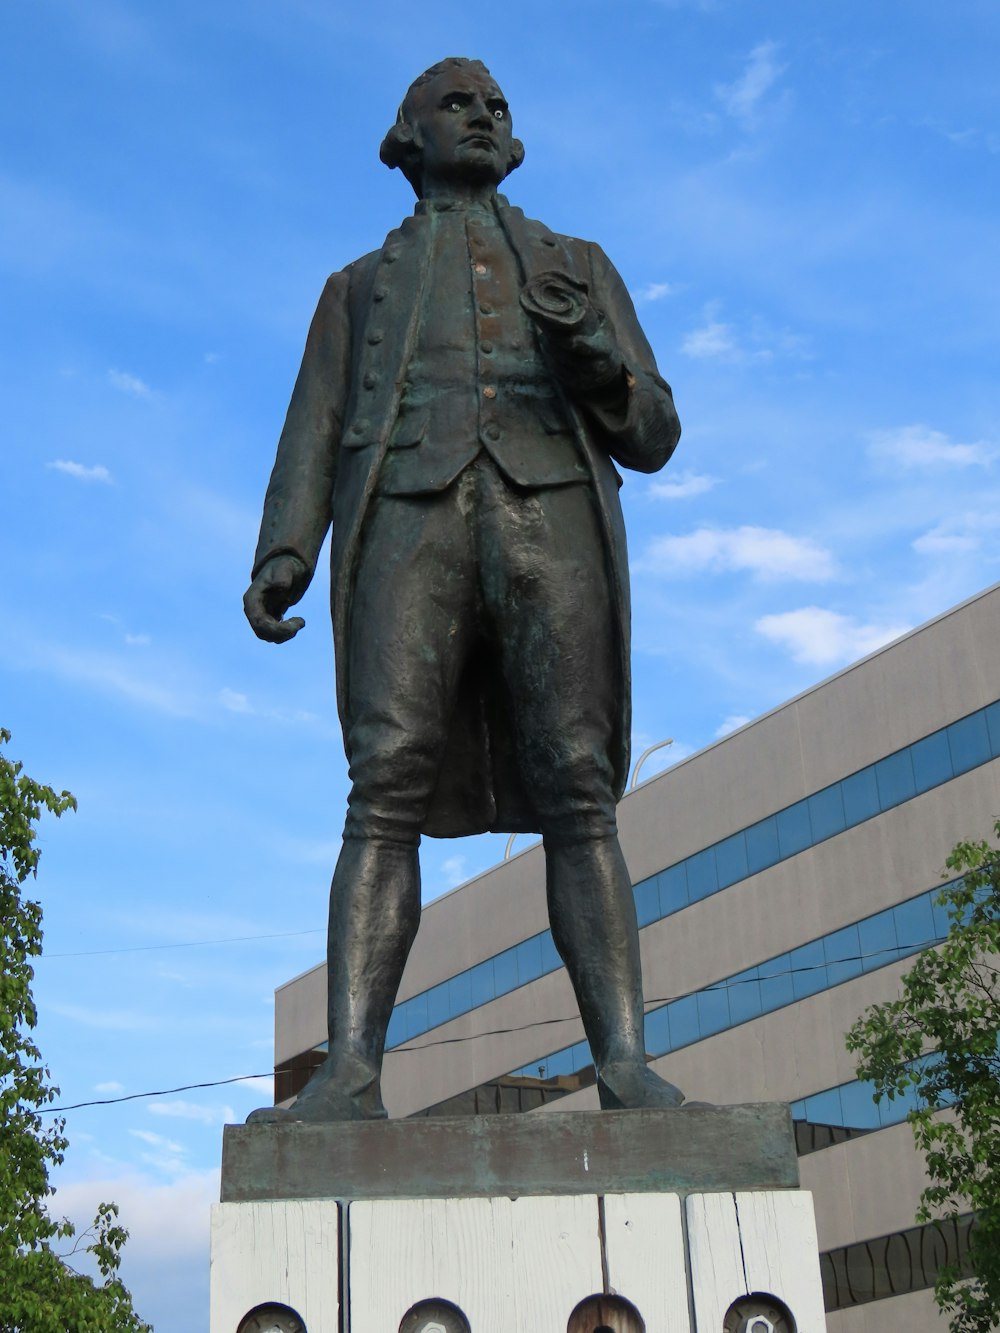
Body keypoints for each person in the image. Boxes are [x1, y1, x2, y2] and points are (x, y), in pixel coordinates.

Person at [244, 57, 686, 1122]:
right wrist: (282, 552)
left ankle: (624, 1062)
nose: (481, 117)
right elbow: (311, 430)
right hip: (406, 525)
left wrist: (588, 348)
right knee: (381, 785)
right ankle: (349, 1069)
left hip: (553, 528)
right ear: (405, 137)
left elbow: (655, 430)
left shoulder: (578, 264)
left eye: (497, 108)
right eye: (457, 104)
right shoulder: (355, 291)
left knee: (582, 791)